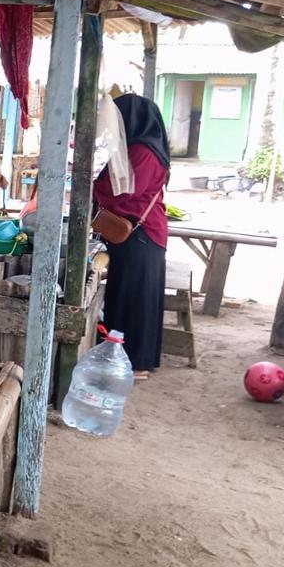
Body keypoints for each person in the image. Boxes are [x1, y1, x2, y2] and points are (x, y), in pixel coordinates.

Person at [94, 92, 171, 380]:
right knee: (128, 295)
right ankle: (126, 356)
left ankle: (136, 362)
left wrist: (93, 185)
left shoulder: (143, 151)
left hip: (141, 235)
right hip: (139, 233)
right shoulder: (141, 148)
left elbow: (123, 191)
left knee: (136, 299)